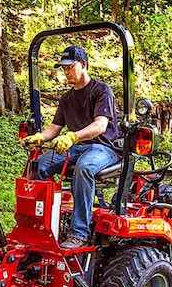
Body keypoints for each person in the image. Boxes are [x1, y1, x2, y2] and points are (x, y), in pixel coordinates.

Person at [21, 45, 121, 249]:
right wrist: (39, 137)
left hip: (103, 148)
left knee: (84, 168)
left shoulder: (101, 90)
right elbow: (54, 129)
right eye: (63, 68)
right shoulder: (67, 98)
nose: (66, 72)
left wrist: (73, 136)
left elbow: (100, 125)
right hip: (77, 147)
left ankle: (79, 232)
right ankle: (43, 223)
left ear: (84, 65)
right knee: (39, 164)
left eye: (70, 67)